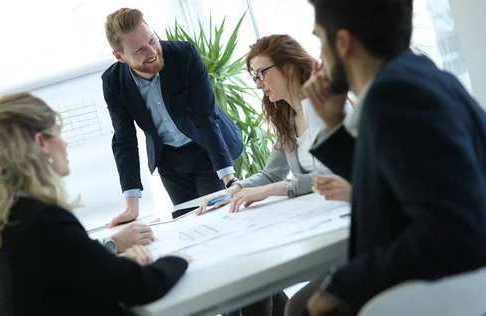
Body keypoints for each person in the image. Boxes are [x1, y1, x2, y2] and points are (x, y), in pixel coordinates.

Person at [286, 0, 486, 315]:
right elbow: (395, 184)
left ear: (343, 42)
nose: (320, 57)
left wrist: (343, 284)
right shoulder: (426, 77)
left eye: (321, 40)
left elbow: (454, 232)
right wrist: (334, 126)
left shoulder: (394, 96)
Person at [0, 92, 188, 316]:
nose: (65, 144)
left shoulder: (12, 212)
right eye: (58, 134)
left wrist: (114, 267)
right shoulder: (43, 219)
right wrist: (176, 259)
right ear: (41, 142)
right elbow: (138, 288)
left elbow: (75, 275)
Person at [102, 8, 243, 227]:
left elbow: (205, 117)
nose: (151, 52)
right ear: (119, 56)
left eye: (152, 40)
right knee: (187, 226)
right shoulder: (113, 83)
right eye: (139, 50)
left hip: (206, 148)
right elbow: (124, 140)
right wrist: (132, 206)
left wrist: (229, 179)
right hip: (169, 161)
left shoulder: (183, 55)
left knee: (220, 220)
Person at [197, 35, 352, 215]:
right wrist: (230, 191)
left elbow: (333, 174)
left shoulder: (331, 107)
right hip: (317, 212)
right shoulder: (288, 119)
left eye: (262, 73)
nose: (258, 85)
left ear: (288, 68)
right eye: (255, 76)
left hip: (344, 211)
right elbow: (271, 174)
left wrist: (268, 191)